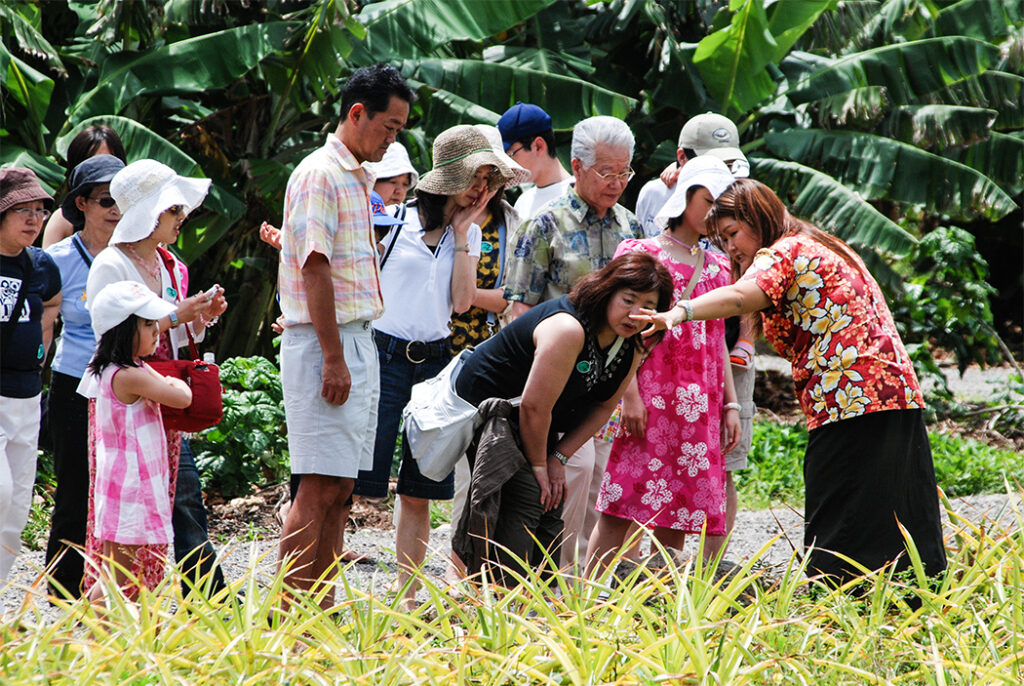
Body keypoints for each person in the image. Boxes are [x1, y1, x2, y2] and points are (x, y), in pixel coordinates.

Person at [633, 178, 947, 584]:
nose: (730, 247)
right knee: (895, 500)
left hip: (849, 394)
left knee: (839, 503)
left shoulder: (783, 251)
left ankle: (836, 593)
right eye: (722, 240)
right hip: (893, 387)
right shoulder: (822, 243)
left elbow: (741, 297)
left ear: (756, 217)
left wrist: (679, 312)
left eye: (732, 233)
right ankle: (913, 590)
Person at [356, 124, 515, 608]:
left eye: (488, 180)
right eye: (475, 177)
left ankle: (406, 597)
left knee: (420, 487)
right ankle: (320, 588)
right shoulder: (393, 222)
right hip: (383, 355)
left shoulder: (469, 235)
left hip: (435, 362)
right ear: (450, 179)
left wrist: (463, 234)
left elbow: (463, 302)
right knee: (356, 482)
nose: (481, 189)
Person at [275, 64, 414, 611]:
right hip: (325, 344)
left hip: (356, 339)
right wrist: (334, 357)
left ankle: (320, 611)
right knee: (316, 486)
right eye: (389, 126)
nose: (392, 139)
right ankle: (288, 617)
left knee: (341, 488)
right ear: (357, 114)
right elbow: (315, 268)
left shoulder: (355, 174)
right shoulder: (320, 173)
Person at [450, 252, 674, 582]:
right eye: (628, 300)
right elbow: (534, 407)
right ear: (607, 292)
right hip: (486, 412)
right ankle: (473, 590)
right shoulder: (568, 328)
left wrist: (558, 457)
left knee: (548, 505)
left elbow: (603, 407)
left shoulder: (631, 345)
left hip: (535, 421)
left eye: (647, 306)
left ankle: (530, 593)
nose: (635, 314)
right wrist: (540, 466)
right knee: (516, 500)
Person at [502, 115, 643, 570]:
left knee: (605, 491)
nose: (617, 182)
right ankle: (553, 587)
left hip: (611, 384)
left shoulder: (632, 229)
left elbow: (641, 318)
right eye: (607, 172)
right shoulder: (544, 225)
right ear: (578, 166)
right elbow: (519, 312)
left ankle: (591, 593)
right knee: (564, 484)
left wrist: (632, 391)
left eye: (625, 172)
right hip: (558, 385)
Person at [587, 157, 740, 575]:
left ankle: (657, 600)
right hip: (648, 398)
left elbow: (717, 342)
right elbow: (619, 331)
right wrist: (630, 396)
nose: (712, 214)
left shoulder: (720, 268)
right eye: (707, 201)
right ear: (685, 196)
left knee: (679, 512)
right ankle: (591, 598)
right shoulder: (640, 252)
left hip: (699, 406)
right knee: (619, 504)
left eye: (721, 206)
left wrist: (730, 404)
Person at [84, 159, 229, 597]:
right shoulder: (111, 263)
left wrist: (199, 319)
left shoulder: (172, 265)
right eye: (173, 209)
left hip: (159, 389)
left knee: (168, 496)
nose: (182, 217)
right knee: (135, 503)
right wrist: (176, 316)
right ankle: (130, 602)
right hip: (130, 395)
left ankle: (148, 601)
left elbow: (178, 336)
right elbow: (109, 335)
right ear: (150, 212)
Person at [43, 153, 125, 598]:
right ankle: (62, 589)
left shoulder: (139, 255)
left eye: (123, 200)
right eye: (106, 200)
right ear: (82, 204)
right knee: (75, 487)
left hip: (125, 386)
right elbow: (40, 325)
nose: (116, 210)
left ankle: (112, 586)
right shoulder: (55, 261)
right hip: (73, 382)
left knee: (121, 488)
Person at [83, 280, 192, 602]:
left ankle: (99, 623)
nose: (156, 330)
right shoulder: (130, 375)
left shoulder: (117, 369)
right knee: (120, 575)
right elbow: (182, 397)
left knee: (114, 570)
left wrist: (164, 379)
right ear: (122, 330)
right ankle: (104, 624)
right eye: (147, 324)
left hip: (120, 487)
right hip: (131, 490)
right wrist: (174, 380)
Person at [0, 169, 62, 584]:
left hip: (27, 397)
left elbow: (53, 302)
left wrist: (41, 349)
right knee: (0, 492)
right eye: (22, 210)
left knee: (17, 508)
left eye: (40, 211)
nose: (34, 220)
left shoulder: (41, 265)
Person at [633, 112, 748, 238]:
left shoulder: (741, 200)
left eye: (728, 164)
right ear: (682, 157)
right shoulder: (653, 194)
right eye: (709, 163)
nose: (721, 171)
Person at [42, 125, 127, 249]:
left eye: (109, 160)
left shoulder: (136, 215)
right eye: (105, 201)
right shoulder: (62, 221)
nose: (103, 168)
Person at [497, 102, 573, 220]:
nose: (507, 165)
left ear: (538, 146)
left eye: (510, 155)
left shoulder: (578, 196)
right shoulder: (523, 202)